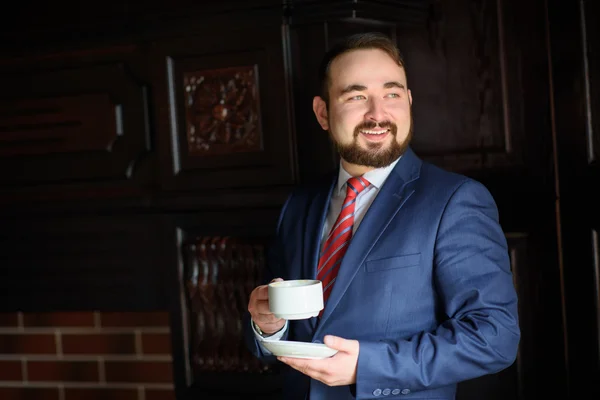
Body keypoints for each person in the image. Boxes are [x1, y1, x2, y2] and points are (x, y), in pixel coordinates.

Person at [244, 32, 520, 400]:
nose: (378, 113)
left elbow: (495, 337)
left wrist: (367, 366)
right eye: (357, 96)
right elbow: (274, 337)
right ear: (323, 112)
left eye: (392, 94)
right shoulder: (298, 205)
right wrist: (266, 326)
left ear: (409, 100)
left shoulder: (456, 200)